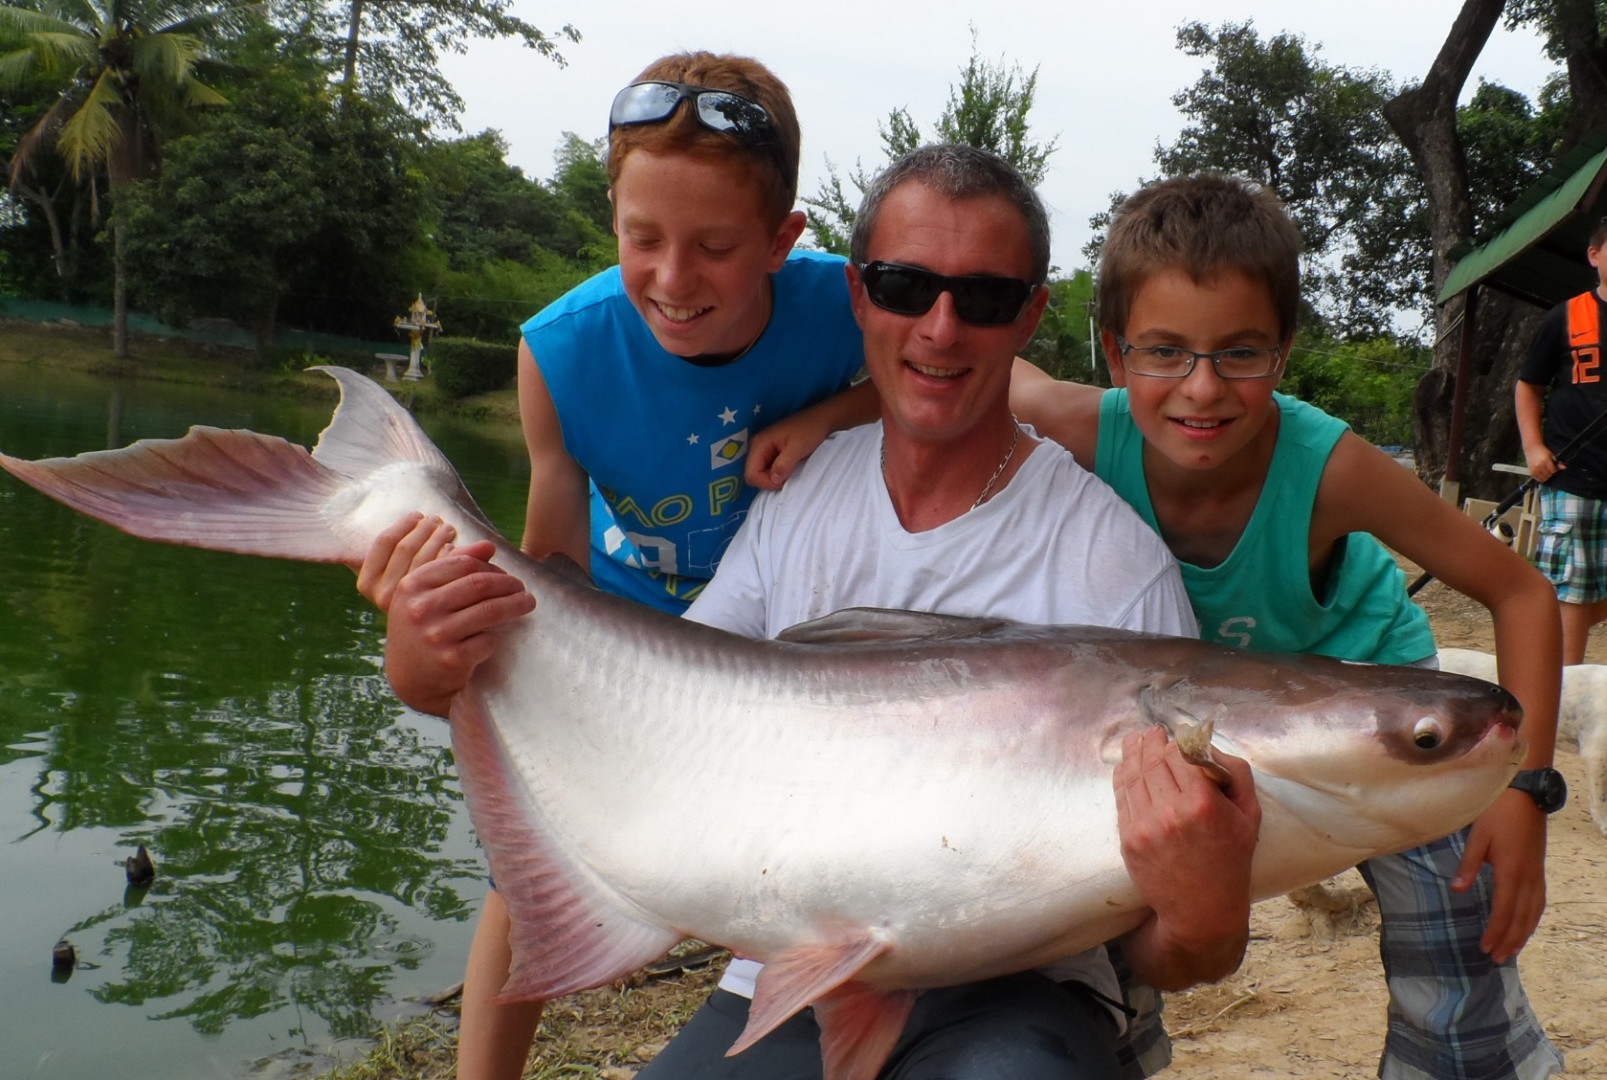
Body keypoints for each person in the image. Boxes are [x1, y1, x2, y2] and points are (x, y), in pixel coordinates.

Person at [368, 145, 1262, 1079]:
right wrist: (434, 670)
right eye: (905, 286)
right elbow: (656, 716)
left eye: (986, 298)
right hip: (783, 975)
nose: (941, 329)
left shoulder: (1112, 565)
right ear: (858, 296)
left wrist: (1206, 920)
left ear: (1030, 314)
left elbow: (1167, 953)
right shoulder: (797, 493)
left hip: (1024, 992)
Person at [357, 51, 868, 1080]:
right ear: (612, 220)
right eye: (643, 240)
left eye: (716, 247)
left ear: (784, 240)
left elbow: (954, 383)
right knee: (528, 873)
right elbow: (553, 563)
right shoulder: (561, 353)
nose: (672, 281)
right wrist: (433, 636)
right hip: (634, 645)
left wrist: (834, 412)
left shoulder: (850, 306)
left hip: (799, 651)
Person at [1008, 175, 1563, 1080]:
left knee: (1459, 920)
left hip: (1370, 699)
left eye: (1239, 353)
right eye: (1164, 352)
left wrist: (1522, 792)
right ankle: (1112, 1049)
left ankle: (1470, 1060)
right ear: (1114, 354)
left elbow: (1522, 593)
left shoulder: (1329, 465)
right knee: (1116, 883)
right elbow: (965, 363)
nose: (1200, 389)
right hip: (1193, 711)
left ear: (1284, 351)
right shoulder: (1077, 429)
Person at [1516, 217, 1607, 666]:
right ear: (1594, 256)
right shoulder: (1566, 316)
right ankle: (1563, 697)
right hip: (1572, 479)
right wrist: (1534, 448)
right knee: (1571, 593)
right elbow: (1528, 385)